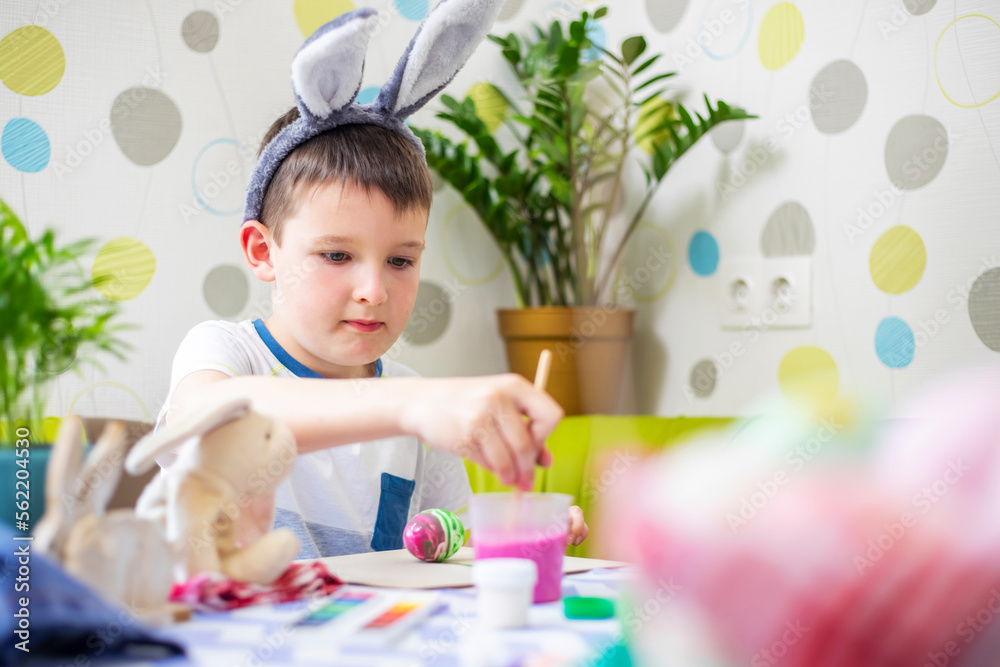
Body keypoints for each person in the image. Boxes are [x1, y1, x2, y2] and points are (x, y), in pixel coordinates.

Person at [156, 0, 590, 557]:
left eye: (401, 261)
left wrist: (512, 537)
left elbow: (445, 547)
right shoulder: (225, 354)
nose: (374, 291)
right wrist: (410, 406)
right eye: (337, 255)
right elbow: (207, 420)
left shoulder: (417, 407)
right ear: (263, 252)